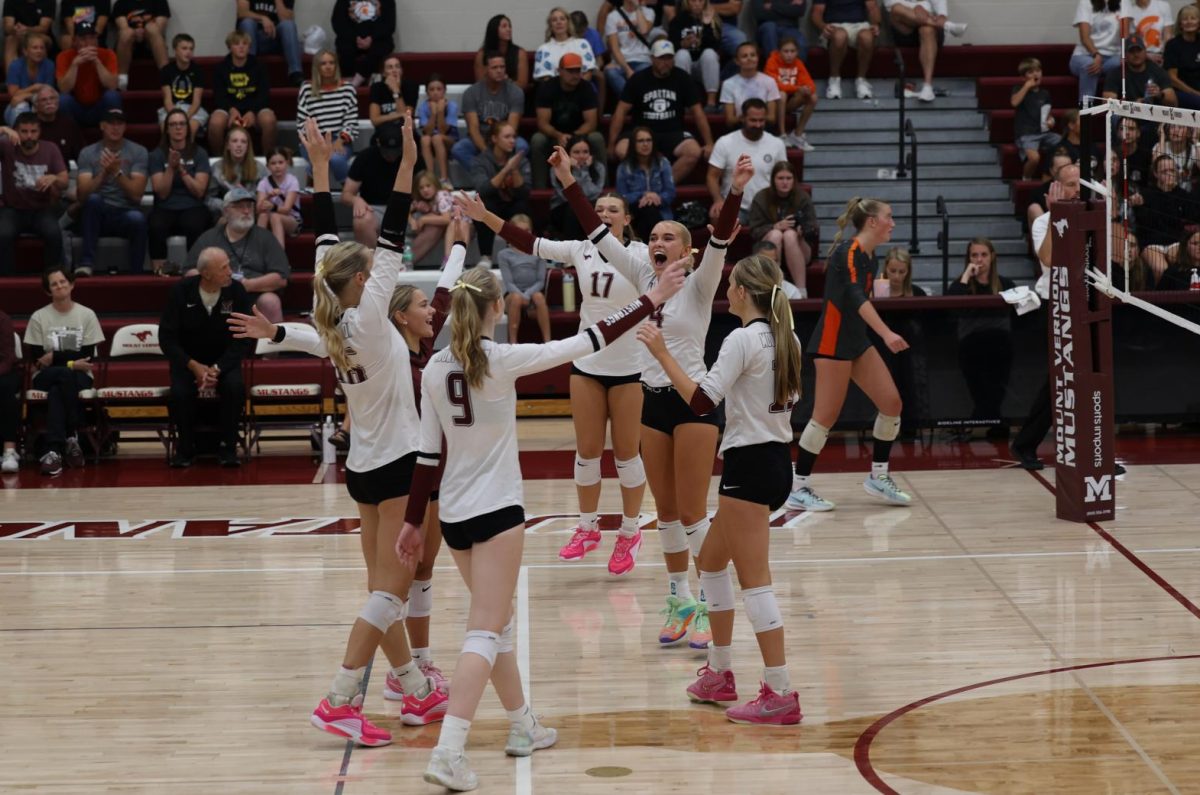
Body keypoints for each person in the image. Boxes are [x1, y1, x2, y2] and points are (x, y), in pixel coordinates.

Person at [394, 219, 687, 794]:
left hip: (451, 516)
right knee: (484, 630)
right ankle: (450, 750)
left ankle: (522, 723)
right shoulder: (501, 359)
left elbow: (428, 456)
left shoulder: (433, 367)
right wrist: (650, 299)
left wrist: (411, 522)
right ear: (495, 308)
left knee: (496, 625)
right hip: (498, 511)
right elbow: (588, 342)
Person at [230, 115, 449, 737]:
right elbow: (397, 223)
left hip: (361, 468)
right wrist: (406, 164)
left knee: (384, 589)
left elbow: (324, 237)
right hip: (401, 466)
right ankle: (340, 700)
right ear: (364, 279)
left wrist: (321, 169)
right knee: (387, 597)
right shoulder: (375, 310)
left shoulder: (331, 323)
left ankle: (413, 689)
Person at [558, 146, 751, 650]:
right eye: (654, 237)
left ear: (686, 251)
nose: (658, 242)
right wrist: (566, 178)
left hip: (695, 402)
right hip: (651, 400)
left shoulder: (702, 281)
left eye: (669, 237)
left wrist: (735, 190)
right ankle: (679, 599)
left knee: (692, 511)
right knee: (663, 512)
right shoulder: (643, 275)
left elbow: (724, 234)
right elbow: (596, 231)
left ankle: (712, 604)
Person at [638, 253, 803, 725]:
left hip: (749, 467)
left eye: (731, 285)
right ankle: (720, 673)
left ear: (744, 293)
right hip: (773, 461)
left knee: (756, 584)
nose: (725, 291)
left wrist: (662, 353)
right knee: (710, 561)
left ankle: (781, 692)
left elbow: (700, 400)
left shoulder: (742, 338)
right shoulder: (784, 335)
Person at [461, 188, 651, 574]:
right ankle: (587, 527)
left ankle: (630, 532)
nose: (604, 214)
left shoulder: (642, 255)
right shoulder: (580, 249)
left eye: (613, 209)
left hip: (631, 367)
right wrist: (485, 217)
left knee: (628, 456)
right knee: (587, 454)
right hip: (587, 363)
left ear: (627, 219)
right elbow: (530, 244)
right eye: (598, 209)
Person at [785, 196, 913, 512]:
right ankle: (798, 487)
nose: (893, 223)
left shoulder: (869, 256)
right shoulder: (849, 252)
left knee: (892, 403)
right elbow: (855, 298)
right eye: (889, 217)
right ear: (872, 221)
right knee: (824, 418)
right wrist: (886, 333)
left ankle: (878, 477)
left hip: (855, 341)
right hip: (832, 343)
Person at [159, 247, 250, 468]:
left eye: (229, 265)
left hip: (224, 362)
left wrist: (218, 368)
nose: (231, 272)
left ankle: (228, 448)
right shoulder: (181, 292)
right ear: (206, 273)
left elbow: (243, 339)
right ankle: (185, 449)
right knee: (180, 392)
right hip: (188, 362)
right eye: (224, 268)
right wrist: (193, 366)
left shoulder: (236, 292)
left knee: (234, 387)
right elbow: (167, 339)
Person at [23, 268, 105, 476]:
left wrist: (54, 357)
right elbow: (37, 358)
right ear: (48, 291)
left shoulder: (86, 315)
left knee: (60, 388)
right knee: (65, 375)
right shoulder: (39, 317)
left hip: (79, 375)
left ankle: (53, 450)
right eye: (54, 284)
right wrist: (69, 361)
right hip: (45, 376)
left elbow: (87, 356)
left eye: (63, 282)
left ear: (72, 284)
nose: (60, 286)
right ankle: (72, 433)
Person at [610, 39, 714, 185]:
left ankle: (661, 185)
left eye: (669, 58)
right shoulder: (638, 79)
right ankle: (642, 185)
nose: (665, 62)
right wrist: (611, 144)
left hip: (672, 131)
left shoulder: (682, 78)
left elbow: (698, 113)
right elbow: (620, 112)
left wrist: (709, 143)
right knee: (622, 149)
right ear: (652, 59)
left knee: (693, 151)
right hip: (641, 131)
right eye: (661, 58)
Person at [187, 187, 290, 322]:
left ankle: (272, 342)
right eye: (239, 207)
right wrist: (217, 281)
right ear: (225, 211)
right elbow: (190, 272)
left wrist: (248, 284)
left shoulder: (266, 237)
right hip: (218, 293)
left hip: (255, 294)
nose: (246, 211)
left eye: (249, 206)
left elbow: (281, 277)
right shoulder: (209, 238)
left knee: (271, 301)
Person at [946, 238, 1015, 439]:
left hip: (1001, 345)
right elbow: (949, 305)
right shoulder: (962, 284)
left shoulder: (1005, 283)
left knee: (996, 390)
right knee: (979, 390)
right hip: (971, 346)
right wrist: (967, 274)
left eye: (983, 255)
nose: (979, 259)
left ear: (992, 257)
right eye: (974, 255)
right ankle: (996, 426)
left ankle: (975, 424)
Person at [75, 108, 149, 276]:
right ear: (102, 126)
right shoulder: (88, 153)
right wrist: (103, 173)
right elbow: (82, 196)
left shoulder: (138, 152)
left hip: (126, 211)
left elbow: (137, 195)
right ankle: (86, 263)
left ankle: (136, 273)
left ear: (125, 127)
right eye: (111, 123)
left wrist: (117, 172)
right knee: (93, 200)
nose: (115, 128)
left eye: (120, 123)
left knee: (138, 219)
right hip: (97, 213)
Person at [0, 113, 68, 276]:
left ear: (40, 132)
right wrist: (2, 129)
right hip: (13, 209)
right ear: (16, 131)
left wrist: (54, 178)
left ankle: (52, 278)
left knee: (54, 234)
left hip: (41, 209)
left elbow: (64, 181)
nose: (29, 136)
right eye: (24, 131)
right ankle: (7, 282)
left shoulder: (50, 148)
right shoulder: (7, 145)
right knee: (2, 235)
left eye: (33, 131)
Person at [148, 107, 211, 276]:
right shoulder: (156, 155)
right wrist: (170, 168)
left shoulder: (199, 153)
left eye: (182, 124)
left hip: (192, 205)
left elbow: (199, 191)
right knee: (155, 224)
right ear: (166, 129)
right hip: (165, 206)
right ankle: (160, 271)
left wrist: (182, 170)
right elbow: (161, 193)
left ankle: (194, 271)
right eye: (173, 124)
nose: (178, 127)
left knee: (196, 223)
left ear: (187, 128)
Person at [708, 98, 787, 224]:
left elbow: (784, 175)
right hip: (734, 206)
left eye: (761, 120)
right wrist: (718, 200)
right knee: (717, 216)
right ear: (742, 118)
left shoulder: (777, 144)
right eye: (753, 120)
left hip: (767, 206)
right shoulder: (725, 142)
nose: (758, 125)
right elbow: (712, 176)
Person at [531, 52, 604, 189]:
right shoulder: (547, 88)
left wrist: (574, 138)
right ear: (560, 71)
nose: (575, 75)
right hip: (553, 135)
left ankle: (601, 186)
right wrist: (558, 135)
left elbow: (591, 122)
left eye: (578, 70)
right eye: (570, 71)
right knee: (537, 139)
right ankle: (539, 188)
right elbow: (542, 123)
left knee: (597, 137)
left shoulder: (586, 88)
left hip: (580, 135)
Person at [747, 160, 816, 297]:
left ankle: (802, 291)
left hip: (799, 248)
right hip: (768, 249)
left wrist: (803, 231)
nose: (785, 182)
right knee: (776, 234)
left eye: (788, 178)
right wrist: (775, 226)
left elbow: (813, 230)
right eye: (780, 178)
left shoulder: (802, 197)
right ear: (773, 180)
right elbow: (754, 232)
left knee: (790, 235)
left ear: (794, 180)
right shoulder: (761, 197)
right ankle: (774, 286)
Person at [451, 51, 529, 172]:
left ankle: (500, 177)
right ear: (486, 70)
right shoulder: (471, 93)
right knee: (459, 149)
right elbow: (473, 130)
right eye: (494, 67)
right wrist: (488, 154)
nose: (499, 71)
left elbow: (512, 128)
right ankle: (486, 176)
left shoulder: (516, 92)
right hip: (481, 138)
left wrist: (500, 146)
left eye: (502, 67)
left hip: (504, 137)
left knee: (521, 146)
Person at [208, 30, 277, 157]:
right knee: (215, 123)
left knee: (269, 120)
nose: (241, 47)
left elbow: (263, 94)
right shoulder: (220, 68)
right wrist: (231, 110)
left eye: (245, 44)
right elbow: (219, 96)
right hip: (229, 108)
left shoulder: (259, 66)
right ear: (230, 47)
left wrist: (252, 111)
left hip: (255, 108)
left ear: (249, 47)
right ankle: (219, 159)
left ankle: (268, 159)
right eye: (237, 44)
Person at [470, 121, 530, 264]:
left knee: (523, 206)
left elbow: (524, 192)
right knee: (484, 205)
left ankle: (522, 251)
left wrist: (514, 169)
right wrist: (505, 170)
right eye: (507, 137)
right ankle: (486, 256)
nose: (512, 141)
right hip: (493, 204)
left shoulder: (520, 160)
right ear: (494, 139)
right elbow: (483, 189)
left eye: (514, 137)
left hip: (512, 204)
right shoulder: (481, 160)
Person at [296, 48, 359, 183]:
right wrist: (318, 142)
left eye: (331, 63)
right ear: (316, 67)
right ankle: (314, 196)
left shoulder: (348, 89)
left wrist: (340, 140)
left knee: (336, 159)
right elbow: (302, 122)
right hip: (314, 140)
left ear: (336, 66)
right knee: (316, 162)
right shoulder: (307, 90)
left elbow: (351, 121)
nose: (328, 67)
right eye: (323, 63)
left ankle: (348, 193)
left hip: (339, 138)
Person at [884, 0, 967, 102]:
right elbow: (890, 4)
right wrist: (916, 7)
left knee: (927, 30)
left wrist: (941, 15)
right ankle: (947, 26)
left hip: (929, 26)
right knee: (896, 9)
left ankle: (927, 87)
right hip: (905, 27)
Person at [342, 126, 404, 246]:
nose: (391, 156)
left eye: (395, 151)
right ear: (378, 143)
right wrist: (356, 199)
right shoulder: (365, 158)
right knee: (361, 220)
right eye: (387, 152)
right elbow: (346, 195)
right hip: (374, 208)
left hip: (407, 209)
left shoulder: (412, 156)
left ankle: (406, 262)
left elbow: (426, 184)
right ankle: (373, 263)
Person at [496, 213, 552, 343]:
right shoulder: (504, 254)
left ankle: (548, 341)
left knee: (539, 297)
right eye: (519, 231)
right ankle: (513, 343)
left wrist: (527, 295)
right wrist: (521, 295)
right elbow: (509, 283)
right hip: (513, 294)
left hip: (532, 293)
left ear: (531, 231)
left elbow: (540, 281)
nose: (523, 234)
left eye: (527, 230)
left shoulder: (539, 251)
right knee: (516, 298)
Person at [55, 20, 122, 127]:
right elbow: (64, 89)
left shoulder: (108, 54)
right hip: (76, 107)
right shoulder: (64, 56)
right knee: (63, 100)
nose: (88, 43)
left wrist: (97, 62)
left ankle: (112, 134)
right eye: (83, 39)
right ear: (74, 41)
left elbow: (113, 86)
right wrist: (74, 65)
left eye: (92, 38)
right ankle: (70, 136)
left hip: (99, 107)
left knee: (112, 96)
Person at [616, 125, 676, 241]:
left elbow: (670, 193)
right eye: (641, 141)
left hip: (660, 210)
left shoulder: (663, 163)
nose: (645, 144)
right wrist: (643, 195)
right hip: (634, 212)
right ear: (633, 144)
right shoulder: (624, 167)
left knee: (650, 209)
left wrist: (656, 197)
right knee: (648, 210)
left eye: (649, 140)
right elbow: (621, 198)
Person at [813, 0, 880, 100]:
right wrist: (822, 26)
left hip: (860, 25)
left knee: (867, 37)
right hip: (834, 25)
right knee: (840, 36)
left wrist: (876, 24)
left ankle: (861, 80)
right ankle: (834, 79)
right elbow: (816, 13)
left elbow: (873, 8)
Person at [1012, 57, 1062, 180]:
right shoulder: (1019, 89)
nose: (1035, 74)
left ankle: (1051, 176)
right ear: (1023, 77)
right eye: (1030, 72)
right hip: (1027, 133)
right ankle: (1026, 179)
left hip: (1044, 132)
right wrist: (1026, 87)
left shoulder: (1045, 93)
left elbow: (1048, 113)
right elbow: (1014, 102)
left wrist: (1051, 121)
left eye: (1038, 70)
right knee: (1034, 158)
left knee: (1063, 144)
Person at [763, 36, 817, 149]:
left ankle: (797, 135)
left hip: (790, 102)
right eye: (786, 51)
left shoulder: (798, 63)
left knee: (813, 97)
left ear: (797, 52)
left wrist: (807, 90)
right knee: (782, 94)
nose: (789, 54)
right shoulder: (772, 61)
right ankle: (782, 135)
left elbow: (810, 83)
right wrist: (797, 88)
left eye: (792, 51)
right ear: (779, 52)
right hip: (773, 103)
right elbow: (774, 84)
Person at [668, 0, 722, 110]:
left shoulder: (712, 19)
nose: (697, 4)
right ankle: (683, 102)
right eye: (693, 1)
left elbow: (716, 46)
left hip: (703, 66)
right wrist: (682, 44)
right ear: (687, 2)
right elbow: (670, 46)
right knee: (682, 54)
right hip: (684, 64)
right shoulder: (678, 20)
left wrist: (706, 26)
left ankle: (711, 103)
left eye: (700, 1)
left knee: (709, 54)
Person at [550, 135, 606, 240]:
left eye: (585, 152)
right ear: (568, 154)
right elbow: (566, 196)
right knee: (574, 207)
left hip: (588, 206)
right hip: (563, 209)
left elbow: (594, 194)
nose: (581, 156)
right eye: (576, 152)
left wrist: (583, 170)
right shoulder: (557, 167)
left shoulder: (598, 168)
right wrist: (574, 171)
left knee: (596, 207)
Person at [236, 0, 303, 86]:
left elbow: (287, 19)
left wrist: (278, 1)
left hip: (275, 38)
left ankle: (296, 74)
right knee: (247, 23)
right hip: (254, 39)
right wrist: (263, 18)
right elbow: (242, 12)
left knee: (288, 25)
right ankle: (249, 69)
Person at [1069, 0, 1123, 104]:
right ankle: (1086, 112)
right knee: (1090, 65)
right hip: (1086, 54)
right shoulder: (1086, 3)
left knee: (1120, 64)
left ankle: (1113, 112)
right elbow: (1085, 37)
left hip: (1112, 56)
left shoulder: (1123, 4)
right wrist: (1096, 54)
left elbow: (1127, 35)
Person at [720, 42, 781, 133]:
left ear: (758, 58)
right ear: (737, 61)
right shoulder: (728, 84)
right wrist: (746, 118)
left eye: (753, 55)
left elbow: (772, 118)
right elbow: (730, 120)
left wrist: (756, 118)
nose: (749, 58)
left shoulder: (769, 81)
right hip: (739, 127)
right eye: (744, 56)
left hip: (763, 127)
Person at [331, 0, 395, 87]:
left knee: (381, 48)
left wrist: (372, 38)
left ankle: (357, 80)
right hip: (351, 39)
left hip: (377, 39)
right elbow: (338, 22)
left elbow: (389, 24)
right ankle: (347, 81)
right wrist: (355, 38)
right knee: (345, 48)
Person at [1102, 33, 1176, 105]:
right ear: (1125, 54)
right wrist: (1132, 106)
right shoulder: (1116, 74)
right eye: (1131, 51)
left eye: (1139, 50)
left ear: (1145, 51)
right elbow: (1107, 103)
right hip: (1127, 115)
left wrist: (1160, 95)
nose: (1136, 54)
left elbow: (1174, 103)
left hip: (1152, 114)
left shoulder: (1158, 71)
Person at [111, 0, 170, 90]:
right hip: (128, 47)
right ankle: (122, 81)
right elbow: (123, 27)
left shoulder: (160, 2)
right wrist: (135, 33)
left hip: (151, 46)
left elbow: (160, 27)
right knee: (126, 33)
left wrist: (144, 32)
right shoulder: (120, 4)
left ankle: (167, 79)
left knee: (152, 28)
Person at [159, 33, 208, 139]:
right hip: (172, 107)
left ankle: (187, 154)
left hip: (193, 109)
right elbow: (167, 100)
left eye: (191, 49)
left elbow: (196, 102)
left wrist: (184, 118)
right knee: (166, 127)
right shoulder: (166, 71)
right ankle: (169, 154)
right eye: (184, 48)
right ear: (175, 50)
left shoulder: (198, 71)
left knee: (190, 128)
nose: (188, 52)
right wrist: (175, 116)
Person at [533, 6, 600, 83]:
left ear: (568, 23)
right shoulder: (543, 49)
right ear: (550, 26)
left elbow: (588, 72)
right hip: (555, 92)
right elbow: (546, 79)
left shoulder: (582, 44)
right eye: (554, 20)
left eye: (562, 19)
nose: (559, 22)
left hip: (581, 90)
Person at [207, 126, 263, 217]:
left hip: (252, 211)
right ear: (228, 145)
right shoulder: (217, 168)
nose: (239, 145)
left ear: (248, 146)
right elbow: (209, 199)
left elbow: (267, 195)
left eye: (243, 142)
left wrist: (247, 197)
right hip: (226, 214)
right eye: (234, 141)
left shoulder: (259, 168)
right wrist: (226, 206)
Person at [604, 0, 655, 99]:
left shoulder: (648, 12)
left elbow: (644, 30)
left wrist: (637, 8)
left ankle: (631, 103)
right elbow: (615, 48)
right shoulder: (612, 16)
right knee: (610, 72)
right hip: (621, 61)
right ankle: (632, 101)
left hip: (642, 59)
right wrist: (627, 70)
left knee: (643, 72)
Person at [416, 73, 458, 189]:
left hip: (449, 140)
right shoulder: (423, 107)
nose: (435, 92)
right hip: (431, 139)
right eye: (432, 89)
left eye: (439, 89)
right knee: (425, 139)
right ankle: (430, 179)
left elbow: (444, 131)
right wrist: (433, 113)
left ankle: (444, 179)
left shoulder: (452, 106)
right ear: (427, 92)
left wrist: (440, 112)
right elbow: (427, 132)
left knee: (437, 137)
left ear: (444, 90)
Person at [256, 145, 301, 249]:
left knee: (274, 216)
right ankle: (257, 253)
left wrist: (273, 207)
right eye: (273, 163)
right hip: (268, 218)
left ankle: (279, 258)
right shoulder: (263, 183)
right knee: (263, 215)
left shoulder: (292, 181)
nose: (277, 166)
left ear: (286, 163)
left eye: (280, 162)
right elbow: (258, 208)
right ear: (267, 166)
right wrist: (268, 196)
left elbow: (286, 209)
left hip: (291, 220)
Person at [4, 30, 54, 126]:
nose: (39, 51)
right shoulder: (15, 66)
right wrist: (34, 88)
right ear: (25, 51)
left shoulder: (49, 65)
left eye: (42, 48)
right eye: (35, 48)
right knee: (21, 105)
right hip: (15, 107)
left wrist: (24, 95)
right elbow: (13, 95)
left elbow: (47, 92)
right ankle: (19, 139)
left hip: (40, 104)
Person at [407, 170, 454, 265]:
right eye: (421, 188)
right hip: (442, 228)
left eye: (428, 186)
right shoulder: (420, 200)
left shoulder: (442, 195)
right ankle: (407, 260)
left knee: (433, 225)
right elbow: (405, 210)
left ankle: (408, 260)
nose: (425, 190)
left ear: (435, 185)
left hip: (459, 225)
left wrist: (423, 219)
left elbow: (446, 219)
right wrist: (412, 221)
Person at [369, 53, 420, 136]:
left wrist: (396, 91)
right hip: (384, 135)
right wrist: (399, 114)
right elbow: (374, 120)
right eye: (390, 67)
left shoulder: (410, 86)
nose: (394, 70)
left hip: (406, 135)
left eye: (397, 66)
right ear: (383, 73)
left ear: (401, 70)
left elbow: (406, 120)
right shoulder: (377, 88)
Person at [475, 13, 530, 89]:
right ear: (494, 30)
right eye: (504, 26)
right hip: (488, 96)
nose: (509, 29)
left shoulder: (520, 53)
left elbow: (523, 84)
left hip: (512, 95)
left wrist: (506, 82)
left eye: (510, 26)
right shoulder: (482, 54)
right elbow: (480, 83)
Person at [1165, 5, 1200, 110]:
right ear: (1180, 24)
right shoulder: (1173, 45)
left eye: (1193, 18)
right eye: (1185, 19)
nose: (1189, 22)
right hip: (1182, 91)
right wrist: (1195, 93)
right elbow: (1172, 78)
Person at [2, 0, 52, 72]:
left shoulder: (48, 2)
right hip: (18, 35)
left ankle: (40, 79)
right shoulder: (10, 1)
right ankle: (12, 79)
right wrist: (15, 29)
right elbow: (8, 26)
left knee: (39, 41)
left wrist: (27, 29)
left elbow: (44, 28)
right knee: (10, 40)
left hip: (40, 35)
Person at [1125, 0, 1172, 64]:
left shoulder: (1163, 6)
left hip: (1161, 54)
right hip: (1141, 56)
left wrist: (1165, 55)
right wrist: (1146, 56)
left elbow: (1168, 35)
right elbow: (1132, 41)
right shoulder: (1130, 12)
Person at [0, 310, 17, 473]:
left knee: (5, 387)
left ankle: (9, 451)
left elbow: (8, 357)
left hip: (2, 371)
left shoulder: (3, 319)